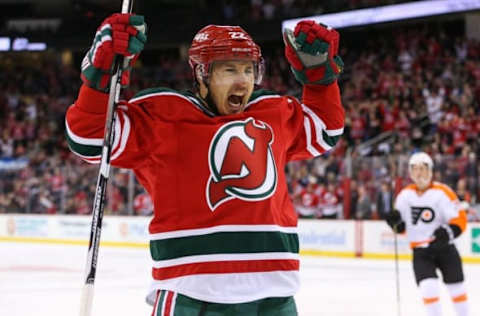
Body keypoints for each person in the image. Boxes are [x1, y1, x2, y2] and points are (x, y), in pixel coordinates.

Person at [65, 14, 344, 315]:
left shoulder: (271, 111)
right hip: (191, 292)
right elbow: (89, 139)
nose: (243, 80)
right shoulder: (163, 115)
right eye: (229, 69)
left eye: (249, 70)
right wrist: (100, 76)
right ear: (201, 73)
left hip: (274, 294)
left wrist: (320, 78)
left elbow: (324, 130)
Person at [386, 152, 469, 316]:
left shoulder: (443, 192)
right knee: (428, 289)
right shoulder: (404, 196)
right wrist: (394, 222)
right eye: (415, 169)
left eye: (423, 169)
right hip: (421, 252)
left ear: (430, 171)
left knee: (457, 288)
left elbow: (460, 220)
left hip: (445, 249)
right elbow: (401, 228)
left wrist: (446, 233)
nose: (419, 173)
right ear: (410, 172)